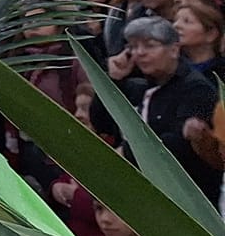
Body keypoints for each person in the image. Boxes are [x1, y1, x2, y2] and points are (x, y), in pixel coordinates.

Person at [89, 15, 221, 207]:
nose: (139, 53)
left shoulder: (197, 89)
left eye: (149, 46)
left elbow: (176, 144)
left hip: (188, 200)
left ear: (174, 49)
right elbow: (101, 124)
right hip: (141, 194)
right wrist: (113, 80)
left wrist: (126, 153)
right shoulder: (138, 87)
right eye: (133, 47)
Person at [174, 0, 225, 81]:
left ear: (211, 34)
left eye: (187, 21)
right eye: (175, 20)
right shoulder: (170, 68)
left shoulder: (221, 72)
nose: (176, 25)